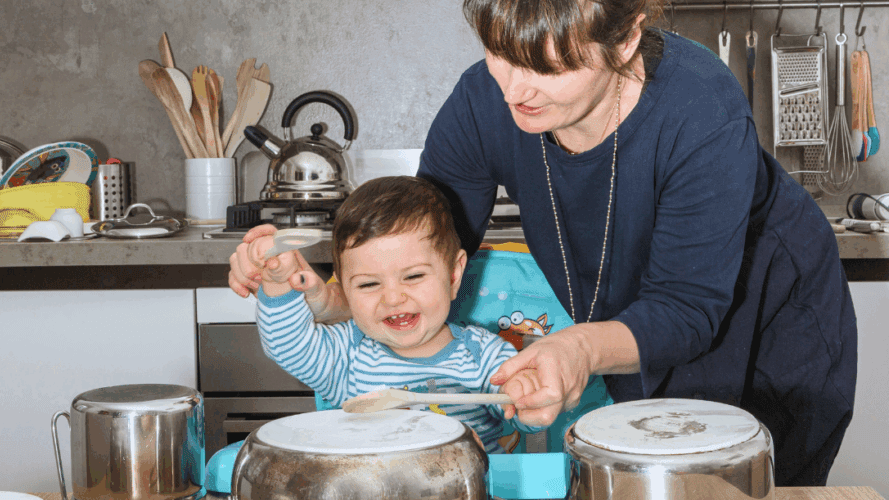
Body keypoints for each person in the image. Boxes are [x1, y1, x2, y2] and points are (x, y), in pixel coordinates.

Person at [230, 0, 857, 486]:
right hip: (634, 322)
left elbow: (687, 306)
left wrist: (579, 349)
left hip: (763, 317)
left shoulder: (700, 107)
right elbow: (415, 245)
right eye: (500, 53)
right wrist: (328, 296)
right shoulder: (484, 101)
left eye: (547, 65)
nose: (514, 89)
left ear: (625, 38)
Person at [236, 175, 544, 454]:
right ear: (344, 289)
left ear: (453, 275)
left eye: (413, 277)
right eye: (369, 284)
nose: (393, 298)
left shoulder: (484, 356)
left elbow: (531, 420)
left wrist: (526, 393)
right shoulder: (348, 354)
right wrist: (278, 282)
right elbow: (288, 345)